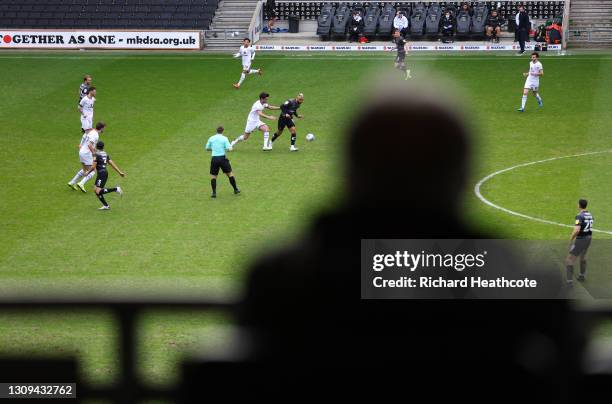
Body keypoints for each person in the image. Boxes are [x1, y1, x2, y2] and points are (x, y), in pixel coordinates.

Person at [68, 121, 105, 192]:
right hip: (86, 154)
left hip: (81, 152)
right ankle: (81, 183)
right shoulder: (95, 134)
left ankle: (72, 182)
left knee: (85, 170)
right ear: (102, 128)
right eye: (104, 128)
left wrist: (96, 150)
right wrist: (94, 154)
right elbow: (90, 145)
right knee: (93, 170)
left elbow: (88, 142)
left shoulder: (92, 131)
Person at [87, 140, 125, 210]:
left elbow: (93, 167)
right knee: (95, 190)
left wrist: (87, 172)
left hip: (102, 174)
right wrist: (120, 172)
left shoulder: (96, 155)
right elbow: (111, 163)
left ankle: (116, 189)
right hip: (103, 173)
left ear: (96, 146)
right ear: (103, 147)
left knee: (98, 191)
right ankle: (106, 206)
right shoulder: (105, 154)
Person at [206, 126, 240, 198]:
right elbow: (229, 148)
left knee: (213, 176)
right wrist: (229, 148)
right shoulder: (224, 138)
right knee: (230, 174)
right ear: (222, 131)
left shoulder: (211, 138)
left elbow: (207, 148)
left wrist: (214, 149)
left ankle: (214, 193)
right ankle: (235, 189)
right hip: (222, 158)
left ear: (216, 131)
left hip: (214, 159)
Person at [565, 199, 593, 286]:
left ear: (579, 205)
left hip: (581, 239)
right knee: (583, 257)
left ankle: (569, 282)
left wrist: (571, 238)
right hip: (589, 238)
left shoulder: (579, 216)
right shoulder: (590, 215)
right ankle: (582, 276)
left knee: (569, 259)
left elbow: (577, 230)